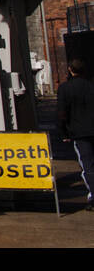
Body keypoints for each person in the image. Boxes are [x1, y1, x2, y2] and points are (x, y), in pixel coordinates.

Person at [57, 57, 94, 211]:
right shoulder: (91, 86)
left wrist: (63, 132)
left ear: (70, 70)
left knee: (88, 166)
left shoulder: (65, 88)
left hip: (79, 133)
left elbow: (61, 113)